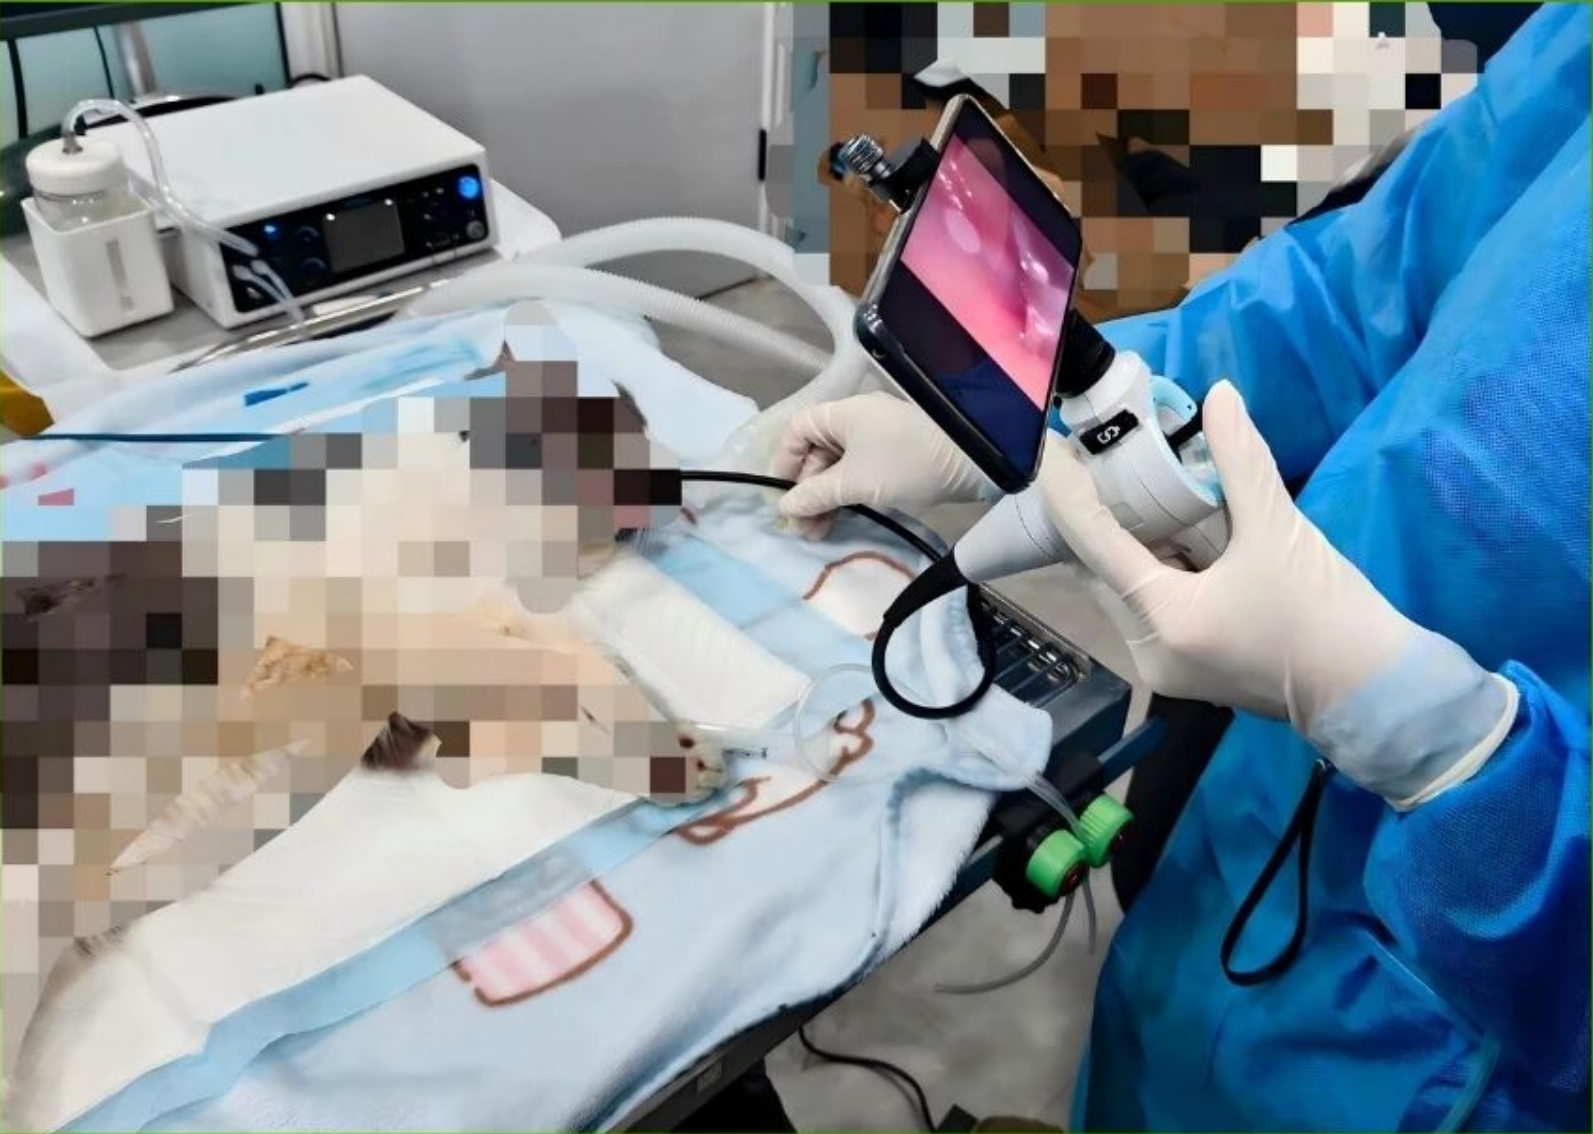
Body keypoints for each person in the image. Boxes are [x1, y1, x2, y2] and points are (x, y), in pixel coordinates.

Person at [772, 6, 1589, 1130]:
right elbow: (1359, 294)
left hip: (1485, 1022)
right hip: (1257, 830)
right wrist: (1040, 421)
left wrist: (1449, 751)